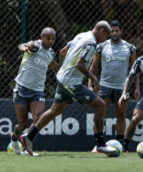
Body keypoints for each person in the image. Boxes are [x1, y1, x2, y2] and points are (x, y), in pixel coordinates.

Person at [20, 21, 116, 156]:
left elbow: (62, 51)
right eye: (106, 36)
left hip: (63, 78)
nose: (104, 40)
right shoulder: (91, 43)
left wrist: (63, 70)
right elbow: (80, 65)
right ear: (101, 31)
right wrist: (94, 79)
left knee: (55, 110)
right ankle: (100, 144)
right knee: (100, 105)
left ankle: (28, 137)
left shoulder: (81, 36)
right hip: (71, 81)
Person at [88, 20, 139, 151]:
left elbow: (135, 70)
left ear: (121, 32)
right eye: (112, 31)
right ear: (109, 32)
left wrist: (137, 87)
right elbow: (93, 67)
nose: (115, 33)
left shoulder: (130, 48)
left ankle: (120, 144)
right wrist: (90, 84)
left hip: (122, 88)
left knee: (121, 115)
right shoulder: (101, 46)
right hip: (104, 86)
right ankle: (97, 144)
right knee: (100, 115)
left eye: (117, 31)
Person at [11, 27, 59, 155]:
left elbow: (55, 68)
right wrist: (23, 48)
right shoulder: (34, 45)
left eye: (53, 39)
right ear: (41, 37)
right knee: (22, 125)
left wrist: (61, 76)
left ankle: (26, 144)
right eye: (48, 38)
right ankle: (15, 137)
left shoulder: (51, 54)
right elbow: (23, 45)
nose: (50, 41)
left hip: (37, 91)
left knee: (38, 118)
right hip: (22, 88)